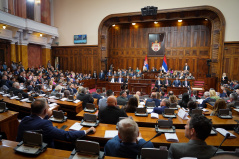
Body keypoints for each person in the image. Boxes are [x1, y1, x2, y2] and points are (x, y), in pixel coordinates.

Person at [16, 99, 95, 148]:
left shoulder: (24, 119)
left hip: (25, 148)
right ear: (44, 111)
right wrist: (86, 131)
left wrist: (46, 115)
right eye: (48, 107)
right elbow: (66, 135)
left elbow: (38, 120)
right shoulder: (45, 125)